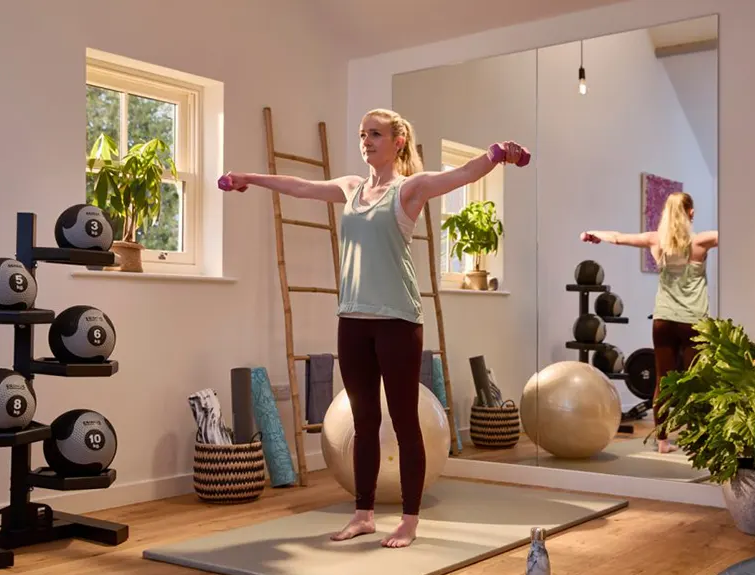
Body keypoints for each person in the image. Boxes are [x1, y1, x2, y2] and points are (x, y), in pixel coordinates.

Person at [219, 108, 528, 547]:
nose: (366, 141)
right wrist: (252, 177)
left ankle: (409, 519)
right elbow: (301, 187)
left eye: (375, 134)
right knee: (364, 423)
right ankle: (363, 514)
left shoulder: (410, 189)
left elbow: (460, 174)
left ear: (397, 141)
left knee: (404, 423)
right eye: (363, 135)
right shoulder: (351, 188)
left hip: (398, 322)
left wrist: (497, 155)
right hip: (353, 321)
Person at [579, 192, 718, 454]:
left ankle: (663, 442)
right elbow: (734, 233)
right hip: (693, 323)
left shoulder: (656, 241)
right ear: (690, 213)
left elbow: (619, 238)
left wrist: (592, 233)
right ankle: (698, 438)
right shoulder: (701, 242)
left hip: (663, 320)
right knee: (695, 381)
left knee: (663, 381)